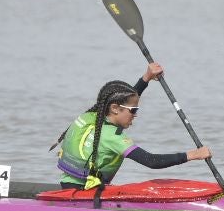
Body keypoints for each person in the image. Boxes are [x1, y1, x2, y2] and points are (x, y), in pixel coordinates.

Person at [54, 64, 212, 190]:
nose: (135, 115)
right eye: (134, 110)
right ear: (115, 108)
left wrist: (146, 78)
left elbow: (126, 101)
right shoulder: (112, 137)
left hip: (69, 183)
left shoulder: (93, 116)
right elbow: (151, 161)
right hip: (84, 191)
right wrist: (192, 155)